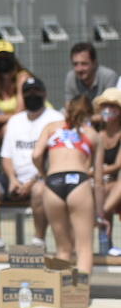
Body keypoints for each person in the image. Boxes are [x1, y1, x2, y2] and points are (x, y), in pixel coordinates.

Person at [0, 77, 61, 250]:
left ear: (44, 94)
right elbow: (6, 156)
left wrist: (32, 181)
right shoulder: (15, 121)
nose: (32, 95)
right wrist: (12, 179)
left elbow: (54, 158)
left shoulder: (56, 119)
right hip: (15, 178)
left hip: (43, 177)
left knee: (40, 190)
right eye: (27, 92)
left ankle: (39, 241)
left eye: (36, 91)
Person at [32, 97, 104, 273]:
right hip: (78, 181)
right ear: (90, 114)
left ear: (66, 108)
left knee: (62, 249)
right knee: (84, 249)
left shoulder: (51, 127)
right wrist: (100, 214)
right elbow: (99, 179)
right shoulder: (93, 134)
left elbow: (35, 155)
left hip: (53, 181)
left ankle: (61, 294)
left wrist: (44, 174)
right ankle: (79, 295)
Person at [93, 88, 121, 252]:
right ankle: (105, 244)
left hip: (112, 183)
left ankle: (99, 217)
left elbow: (118, 165)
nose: (108, 110)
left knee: (111, 187)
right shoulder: (96, 133)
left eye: (112, 106)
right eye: (105, 106)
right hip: (97, 183)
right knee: (100, 190)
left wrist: (96, 172)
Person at [0, 39, 30, 136]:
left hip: (27, 121)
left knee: (8, 129)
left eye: (6, 57)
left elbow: (20, 113)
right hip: (5, 124)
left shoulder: (22, 78)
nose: (2, 60)